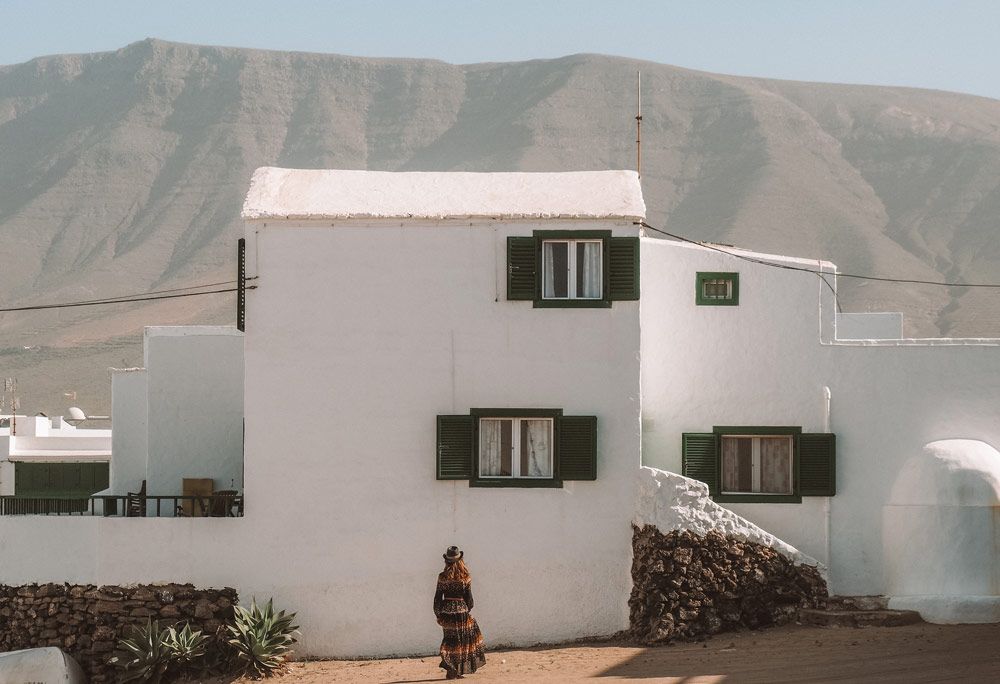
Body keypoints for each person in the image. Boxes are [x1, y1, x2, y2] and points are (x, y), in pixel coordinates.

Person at [433, 546, 486, 679]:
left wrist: (438, 614)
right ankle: (456, 670)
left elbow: (437, 598)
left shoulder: (442, 577)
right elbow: (470, 600)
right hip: (461, 611)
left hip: (447, 612)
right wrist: (466, 609)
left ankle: (451, 669)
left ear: (447, 561)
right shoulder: (465, 577)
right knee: (461, 642)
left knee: (450, 641)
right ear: (460, 560)